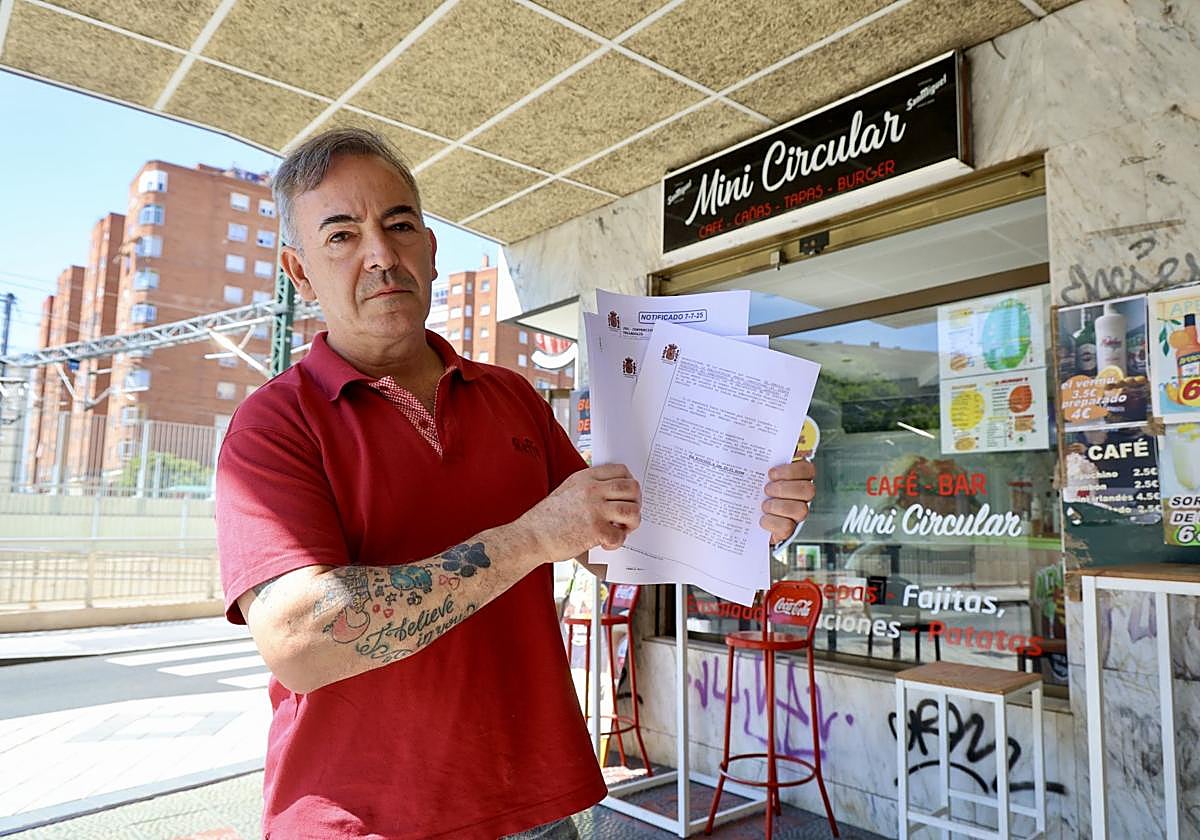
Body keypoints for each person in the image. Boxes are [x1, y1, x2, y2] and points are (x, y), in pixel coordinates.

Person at [215, 128, 818, 840]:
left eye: (399, 225)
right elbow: (299, 639)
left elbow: (611, 538)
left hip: (538, 808)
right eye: (342, 235)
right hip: (363, 820)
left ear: (431, 250)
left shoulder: (511, 396)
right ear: (299, 270)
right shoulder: (274, 423)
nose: (381, 255)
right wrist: (531, 538)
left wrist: (744, 514)